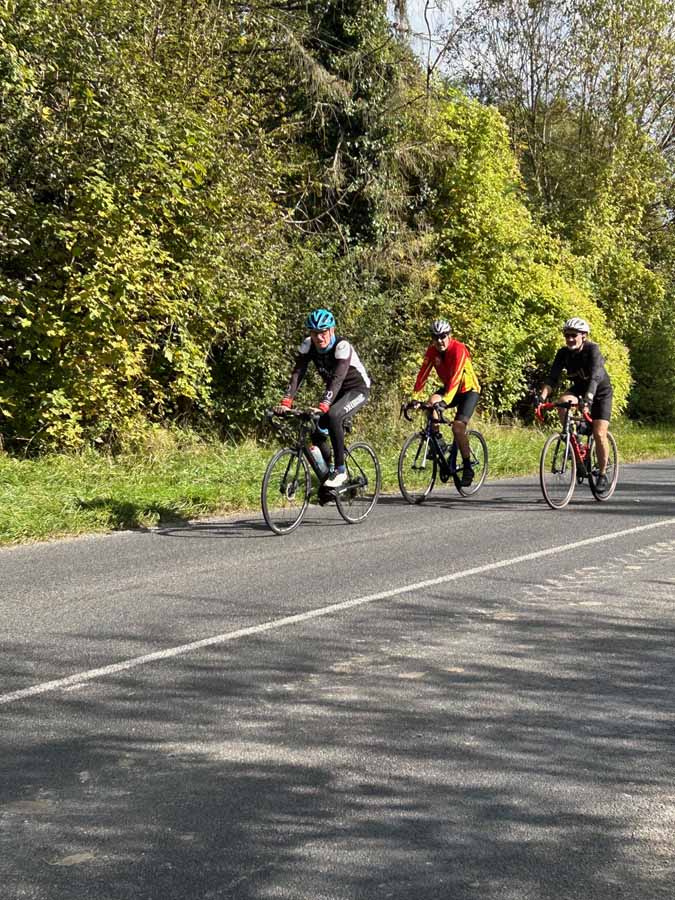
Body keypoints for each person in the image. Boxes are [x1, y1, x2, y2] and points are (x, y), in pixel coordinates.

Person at [275, 308, 371, 488]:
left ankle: (341, 471)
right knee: (315, 428)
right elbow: (297, 373)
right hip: (336, 393)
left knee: (333, 415)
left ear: (332, 330)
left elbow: (337, 379)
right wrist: (286, 401)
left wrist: (324, 405)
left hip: (357, 390)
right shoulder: (308, 345)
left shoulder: (342, 346)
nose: (319, 337)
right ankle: (329, 471)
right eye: (314, 333)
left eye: (323, 332)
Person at [536, 317, 613, 492]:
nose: (570, 339)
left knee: (599, 433)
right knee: (562, 402)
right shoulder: (563, 353)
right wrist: (541, 397)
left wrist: (588, 399)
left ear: (583, 336)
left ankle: (602, 473)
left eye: (573, 335)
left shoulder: (592, 350)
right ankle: (574, 440)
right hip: (579, 390)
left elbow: (595, 377)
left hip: (600, 392)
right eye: (567, 335)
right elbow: (552, 378)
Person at [413, 318, 481, 486]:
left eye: (443, 336)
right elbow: (422, 374)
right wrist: (414, 397)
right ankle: (439, 442)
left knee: (458, 427)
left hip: (468, 390)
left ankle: (467, 467)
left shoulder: (459, 349)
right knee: (431, 403)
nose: (439, 341)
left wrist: (445, 402)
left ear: (449, 335)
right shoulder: (432, 351)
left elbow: (457, 378)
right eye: (435, 337)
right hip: (450, 388)